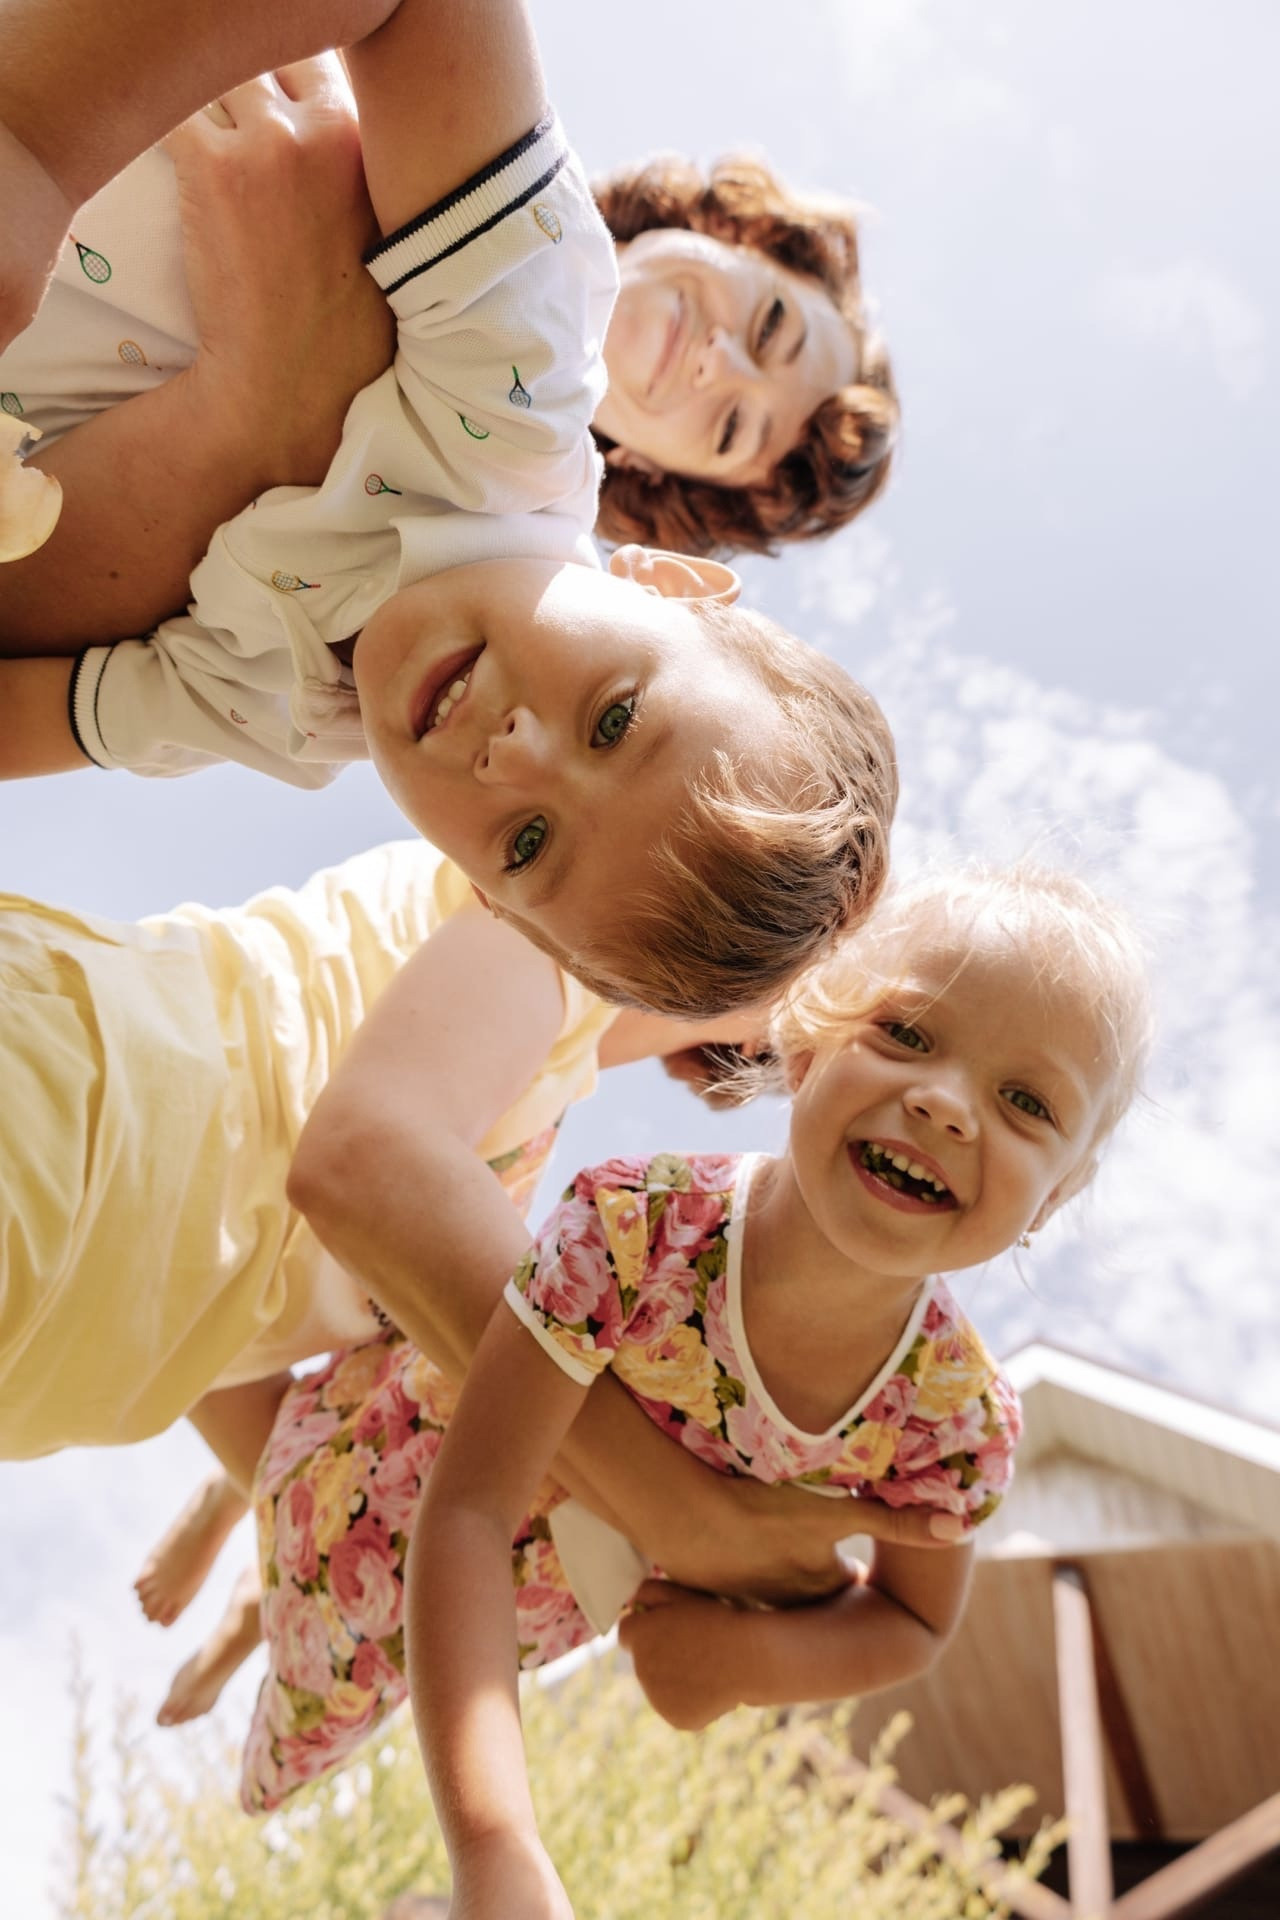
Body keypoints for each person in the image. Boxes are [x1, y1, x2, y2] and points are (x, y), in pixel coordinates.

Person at [0, 16, 896, 1022]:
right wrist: (33, 155)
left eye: (528, 844)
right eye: (612, 721)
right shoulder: (512, 394)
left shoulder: (279, 717)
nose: (512, 757)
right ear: (667, 582)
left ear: (485, 901)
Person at [373, 859, 1151, 1919]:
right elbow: (464, 1507)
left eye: (1024, 1103)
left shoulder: (952, 1428)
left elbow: (910, 1625)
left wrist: (736, 1657)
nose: (945, 1103)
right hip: (368, 1495)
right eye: (907, 1035)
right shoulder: (630, 1230)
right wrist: (495, 1842)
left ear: (1053, 1198)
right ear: (807, 1034)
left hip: (446, 1669)